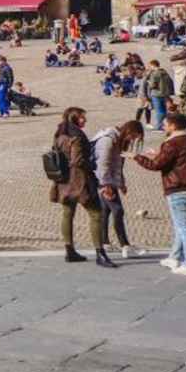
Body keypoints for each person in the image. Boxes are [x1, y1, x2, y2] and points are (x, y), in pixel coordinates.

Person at [135, 111, 186, 276]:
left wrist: (137, 157)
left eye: (165, 124)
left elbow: (156, 166)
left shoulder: (171, 144)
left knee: (185, 227)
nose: (163, 126)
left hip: (179, 189)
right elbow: (179, 160)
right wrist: (157, 155)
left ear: (173, 125)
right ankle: (174, 257)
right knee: (180, 225)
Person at [49, 107, 115, 267]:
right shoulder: (76, 136)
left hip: (63, 180)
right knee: (96, 214)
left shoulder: (59, 133)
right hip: (79, 180)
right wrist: (92, 165)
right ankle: (100, 253)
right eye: (82, 118)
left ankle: (69, 250)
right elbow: (78, 160)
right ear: (74, 118)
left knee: (67, 213)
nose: (85, 120)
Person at [92, 120, 145, 259]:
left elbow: (117, 165)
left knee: (105, 211)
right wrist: (106, 186)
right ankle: (125, 245)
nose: (132, 140)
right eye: (133, 137)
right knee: (118, 210)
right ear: (128, 131)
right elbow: (102, 165)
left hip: (110, 181)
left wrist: (121, 183)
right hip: (104, 182)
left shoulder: (118, 141)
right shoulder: (108, 141)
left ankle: (105, 243)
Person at [143, 60, 174, 131]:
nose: (149, 67)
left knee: (159, 111)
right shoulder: (165, 72)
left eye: (150, 66)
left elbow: (153, 85)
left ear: (153, 65)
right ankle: (165, 125)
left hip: (157, 94)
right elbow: (170, 82)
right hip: (165, 94)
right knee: (164, 111)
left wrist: (148, 82)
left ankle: (159, 126)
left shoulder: (155, 73)